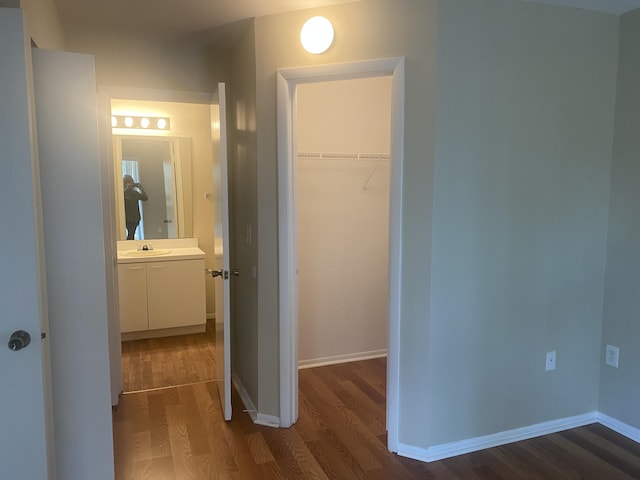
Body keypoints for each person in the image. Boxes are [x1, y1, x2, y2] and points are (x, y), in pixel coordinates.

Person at [123, 174, 148, 240]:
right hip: (128, 219)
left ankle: (129, 246)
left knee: (131, 234)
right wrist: (126, 190)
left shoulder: (135, 193)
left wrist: (140, 187)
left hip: (136, 218)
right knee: (131, 234)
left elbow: (145, 198)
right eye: (128, 182)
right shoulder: (122, 193)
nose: (130, 184)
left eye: (131, 182)